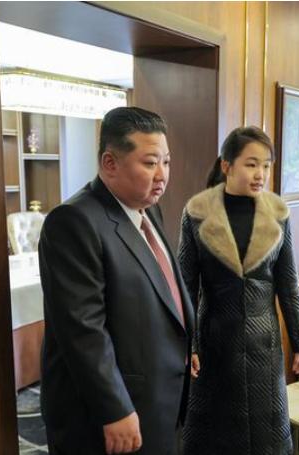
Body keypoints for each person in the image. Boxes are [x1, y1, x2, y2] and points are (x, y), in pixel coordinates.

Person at [38, 107, 193, 455]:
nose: (162, 175)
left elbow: (163, 286)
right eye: (150, 163)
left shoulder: (148, 209)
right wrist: (115, 408)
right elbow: (82, 329)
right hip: (111, 408)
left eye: (166, 162)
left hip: (159, 391)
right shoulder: (74, 221)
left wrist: (188, 343)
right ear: (110, 163)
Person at [178, 126, 299, 455]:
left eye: (266, 165)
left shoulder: (278, 215)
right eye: (251, 164)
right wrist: (187, 342)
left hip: (264, 342)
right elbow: (185, 286)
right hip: (214, 341)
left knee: (266, 440)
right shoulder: (196, 213)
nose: (260, 174)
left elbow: (288, 283)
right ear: (227, 165)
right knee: (214, 439)